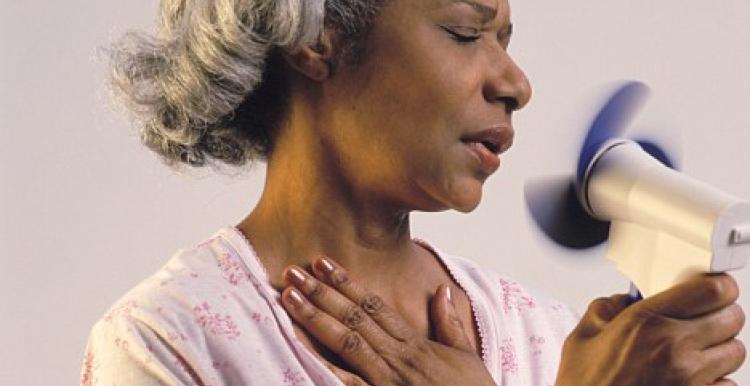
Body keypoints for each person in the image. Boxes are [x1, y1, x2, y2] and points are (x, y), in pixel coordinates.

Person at [81, 0, 746, 385]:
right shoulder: (165, 344)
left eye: (506, 41)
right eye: (465, 32)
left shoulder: (552, 337)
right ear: (317, 40)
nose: (516, 82)